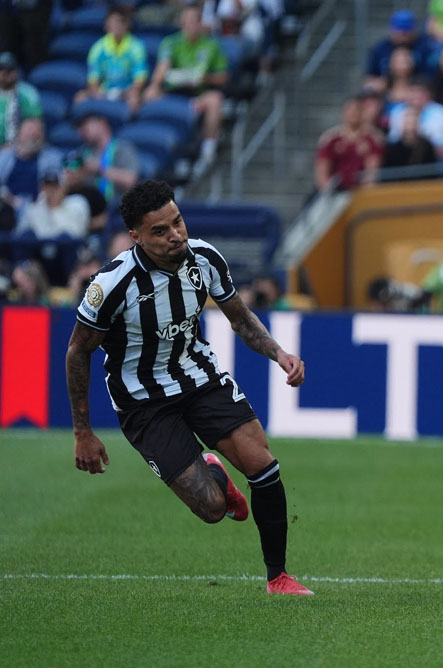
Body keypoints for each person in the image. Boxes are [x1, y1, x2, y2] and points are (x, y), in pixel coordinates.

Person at [66, 180, 312, 595]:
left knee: (262, 464)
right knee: (213, 508)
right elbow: (77, 352)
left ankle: (278, 577)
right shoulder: (111, 285)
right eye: (160, 231)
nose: (175, 234)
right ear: (136, 237)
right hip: (144, 402)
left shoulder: (205, 259)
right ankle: (213, 472)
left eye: (177, 222)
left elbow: (240, 318)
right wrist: (82, 432)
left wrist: (278, 353)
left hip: (200, 378)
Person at [144, 5, 229, 177]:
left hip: (198, 93)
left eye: (193, 21)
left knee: (215, 99)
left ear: (199, 23)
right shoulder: (171, 42)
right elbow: (162, 70)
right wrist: (154, 86)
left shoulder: (210, 45)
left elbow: (223, 77)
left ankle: (208, 150)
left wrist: (205, 78)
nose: (189, 25)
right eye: (185, 22)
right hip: (173, 92)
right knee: (149, 95)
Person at [80, 5, 149, 113]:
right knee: (80, 97)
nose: (116, 26)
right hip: (105, 91)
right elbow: (93, 79)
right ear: (106, 25)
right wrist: (97, 93)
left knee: (135, 99)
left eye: (120, 22)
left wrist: (130, 92)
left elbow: (140, 78)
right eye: (112, 22)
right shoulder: (98, 48)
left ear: (127, 24)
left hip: (126, 92)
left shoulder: (136, 47)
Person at [314, 96, 384, 192]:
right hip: (333, 193)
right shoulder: (330, 139)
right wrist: (328, 191)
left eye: (357, 109)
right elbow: (322, 172)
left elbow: (371, 172)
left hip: (360, 194)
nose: (353, 113)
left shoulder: (373, 139)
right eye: (349, 109)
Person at [365, 10, 439, 94]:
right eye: (399, 32)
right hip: (387, 92)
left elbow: (432, 76)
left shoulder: (425, 46)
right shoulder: (379, 49)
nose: (403, 36)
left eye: (406, 33)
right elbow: (369, 79)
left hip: (420, 92)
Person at [387, 78, 443, 160]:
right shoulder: (397, 111)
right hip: (404, 154)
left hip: (436, 157)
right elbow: (393, 138)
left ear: (428, 95)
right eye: (412, 92)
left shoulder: (441, 112)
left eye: (420, 92)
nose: (416, 96)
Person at [76, 112, 140, 202]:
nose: (81, 130)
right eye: (80, 127)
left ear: (102, 124)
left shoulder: (122, 148)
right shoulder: (82, 152)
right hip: (87, 205)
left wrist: (100, 169)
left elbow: (130, 180)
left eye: (86, 124)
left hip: (117, 206)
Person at [0, 118, 63, 204]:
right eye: (29, 129)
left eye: (38, 130)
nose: (34, 134)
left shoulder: (53, 158)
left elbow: (56, 187)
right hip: (6, 206)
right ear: (19, 134)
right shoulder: (4, 156)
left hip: (39, 208)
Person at [16, 169, 90, 241]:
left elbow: (79, 235)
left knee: (65, 237)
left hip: (66, 249)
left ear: (63, 187)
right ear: (40, 188)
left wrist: (56, 206)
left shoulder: (77, 203)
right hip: (39, 250)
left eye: (55, 186)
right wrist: (42, 207)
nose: (50, 190)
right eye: (46, 186)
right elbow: (19, 236)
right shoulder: (32, 209)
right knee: (27, 235)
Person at [381, 107, 438, 179]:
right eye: (407, 122)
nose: (410, 126)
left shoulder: (426, 146)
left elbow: (432, 173)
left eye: (413, 122)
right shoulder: (392, 149)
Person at [0, 52, 42, 147]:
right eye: (1, 69)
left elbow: (34, 125)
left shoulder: (27, 92)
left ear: (16, 71)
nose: (4, 74)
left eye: (8, 70)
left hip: (17, 148)